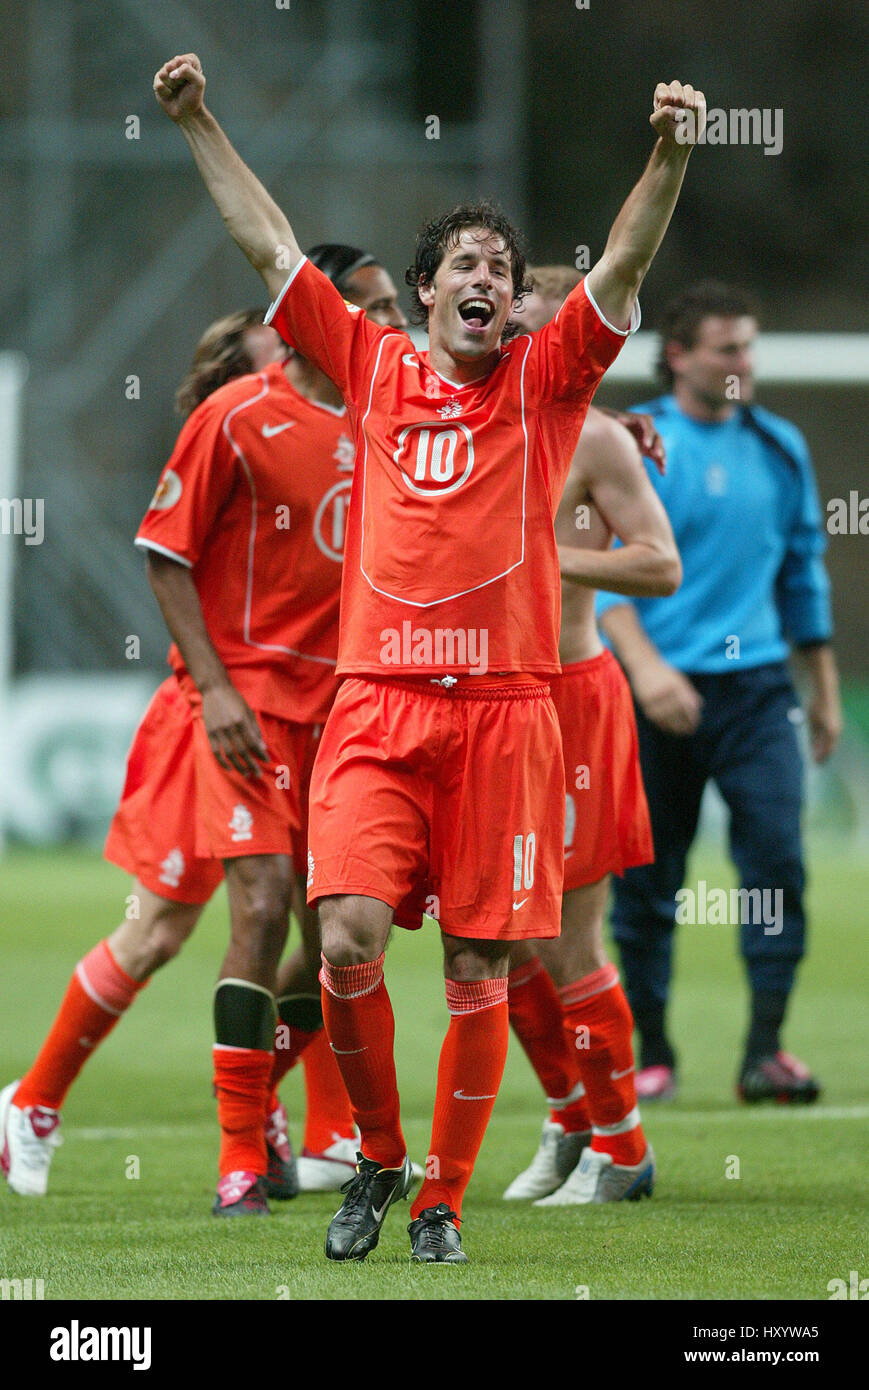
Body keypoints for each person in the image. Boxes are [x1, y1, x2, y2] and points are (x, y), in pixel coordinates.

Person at [155, 51, 706, 1261]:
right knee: (343, 933)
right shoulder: (373, 365)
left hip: (507, 713)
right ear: (417, 292)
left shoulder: (548, 383)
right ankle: (382, 1161)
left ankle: (442, 1201)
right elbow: (269, 245)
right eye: (464, 263)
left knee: (478, 962)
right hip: (377, 705)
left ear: (514, 304)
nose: (488, 280)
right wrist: (199, 120)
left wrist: (666, 150)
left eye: (500, 271)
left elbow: (621, 263)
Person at [0, 249, 411, 1215]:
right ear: (317, 315)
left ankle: (266, 1118)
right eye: (378, 307)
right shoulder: (235, 419)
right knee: (209, 918)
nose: (393, 323)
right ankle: (208, 1136)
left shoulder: (388, 413)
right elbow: (167, 554)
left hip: (338, 712)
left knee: (316, 934)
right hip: (223, 713)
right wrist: (218, 689)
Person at [595, 281, 841, 1103]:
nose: (743, 362)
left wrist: (825, 691)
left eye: (748, 345)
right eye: (726, 348)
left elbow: (803, 571)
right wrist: (647, 668)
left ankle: (763, 1052)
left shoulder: (779, 447)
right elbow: (608, 581)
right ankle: (653, 1050)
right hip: (655, 688)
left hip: (757, 689)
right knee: (647, 876)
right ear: (678, 356)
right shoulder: (637, 443)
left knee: (775, 859)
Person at [498, 265, 678, 1204]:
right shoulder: (465, 419)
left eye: (520, 298)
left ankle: (622, 1145)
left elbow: (658, 564)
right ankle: (571, 1115)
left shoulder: (599, 438)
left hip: (567, 698)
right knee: (494, 936)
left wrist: (540, 549)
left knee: (567, 936)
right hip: (482, 702)